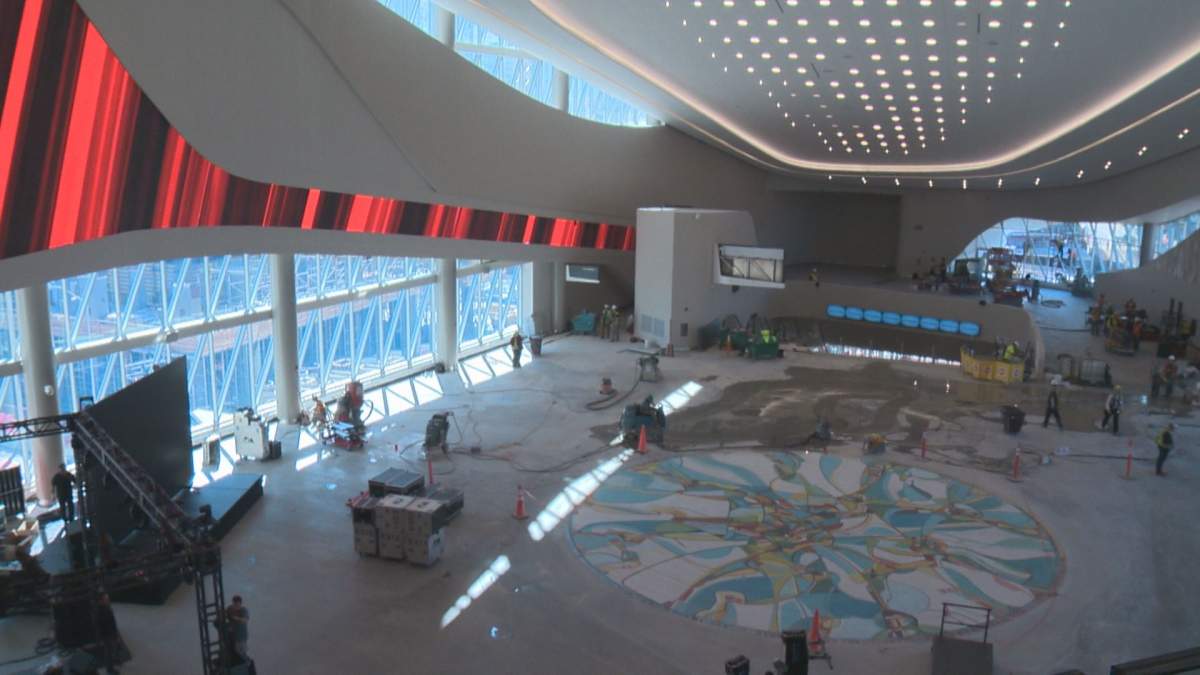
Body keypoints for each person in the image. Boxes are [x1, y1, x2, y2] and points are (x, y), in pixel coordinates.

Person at [95, 592, 121, 674]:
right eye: (106, 599)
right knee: (109, 652)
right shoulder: (99, 611)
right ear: (101, 601)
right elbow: (99, 624)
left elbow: (112, 620)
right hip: (106, 634)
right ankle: (110, 669)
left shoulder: (107, 607)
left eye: (107, 599)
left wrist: (115, 632)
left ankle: (115, 661)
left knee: (113, 648)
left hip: (111, 632)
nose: (107, 600)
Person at [226, 595, 250, 662]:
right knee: (236, 650)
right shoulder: (230, 609)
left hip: (242, 635)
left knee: (241, 651)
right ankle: (245, 662)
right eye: (235, 604)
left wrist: (237, 618)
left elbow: (245, 619)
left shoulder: (243, 610)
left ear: (240, 603)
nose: (236, 606)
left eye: (238, 604)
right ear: (233, 603)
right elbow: (226, 615)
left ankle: (247, 662)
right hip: (234, 635)